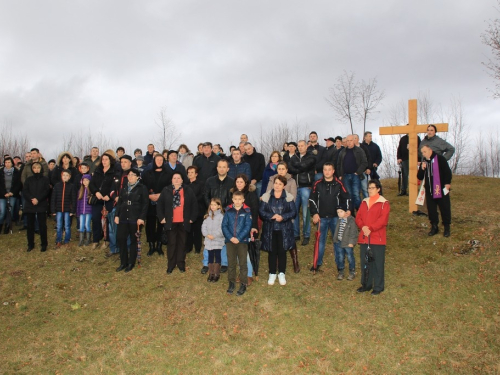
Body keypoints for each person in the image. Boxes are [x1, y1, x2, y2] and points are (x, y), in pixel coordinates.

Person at [309, 162, 352, 273]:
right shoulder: (317, 184)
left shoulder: (339, 184)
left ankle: (340, 265)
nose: (327, 172)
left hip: (335, 218)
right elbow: (312, 199)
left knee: (337, 241)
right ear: (322, 171)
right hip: (321, 218)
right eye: (325, 169)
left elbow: (347, 198)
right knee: (320, 241)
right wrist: (314, 213)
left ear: (333, 171)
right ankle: (317, 264)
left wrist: (348, 210)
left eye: (329, 169)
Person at [157, 172, 198, 274]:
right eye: (174, 178)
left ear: (182, 180)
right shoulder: (166, 190)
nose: (176, 180)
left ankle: (180, 263)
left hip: (184, 222)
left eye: (178, 178)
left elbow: (194, 204)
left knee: (182, 243)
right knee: (172, 243)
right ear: (171, 180)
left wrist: (192, 218)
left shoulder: (188, 190)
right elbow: (159, 204)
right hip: (171, 222)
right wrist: (161, 217)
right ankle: (171, 265)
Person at [260, 175, 297, 286]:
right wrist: (271, 216)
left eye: (280, 184)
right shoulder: (266, 196)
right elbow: (261, 211)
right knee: (271, 251)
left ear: (284, 185)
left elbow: (293, 212)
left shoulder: (288, 197)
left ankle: (281, 273)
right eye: (276, 183)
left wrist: (283, 217)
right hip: (270, 228)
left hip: (284, 229)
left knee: (282, 251)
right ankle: (272, 273)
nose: (277, 185)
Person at [355, 179, 390, 295]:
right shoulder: (364, 202)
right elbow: (358, 217)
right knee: (365, 263)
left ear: (378, 189)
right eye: (369, 188)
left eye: (372, 188)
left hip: (377, 238)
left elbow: (383, 220)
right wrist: (363, 227)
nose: (370, 190)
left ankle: (378, 286)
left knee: (378, 263)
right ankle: (366, 284)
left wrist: (370, 228)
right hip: (365, 237)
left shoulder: (384, 203)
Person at [266, 161, 300, 272]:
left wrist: (283, 212)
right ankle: (276, 263)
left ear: (286, 170)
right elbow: (267, 195)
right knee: (275, 239)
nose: (281, 171)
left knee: (289, 237)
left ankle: (295, 260)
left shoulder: (291, 181)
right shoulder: (272, 180)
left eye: (283, 169)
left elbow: (293, 197)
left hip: (286, 212)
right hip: (273, 213)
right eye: (279, 169)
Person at [114, 168, 149, 273]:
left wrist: (141, 218)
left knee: (134, 241)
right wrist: (117, 215)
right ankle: (123, 262)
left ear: (138, 176)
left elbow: (145, 204)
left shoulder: (142, 188)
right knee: (121, 238)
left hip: (135, 218)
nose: (130, 177)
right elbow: (120, 203)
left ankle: (131, 263)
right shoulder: (124, 188)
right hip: (123, 217)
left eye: (133, 175)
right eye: (129, 175)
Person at [202, 159, 234, 273]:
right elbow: (205, 195)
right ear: (217, 168)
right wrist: (211, 208)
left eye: (224, 167)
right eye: (219, 166)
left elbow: (233, 198)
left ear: (227, 169)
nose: (221, 169)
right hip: (211, 214)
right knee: (208, 237)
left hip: (226, 214)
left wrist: (225, 210)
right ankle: (206, 263)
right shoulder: (210, 181)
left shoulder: (231, 182)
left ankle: (224, 262)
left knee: (223, 238)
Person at [417, 145, 452, 237]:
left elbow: (447, 172)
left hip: (441, 189)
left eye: (425, 152)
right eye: (422, 152)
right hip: (429, 190)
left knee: (445, 208)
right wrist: (422, 168)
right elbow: (419, 176)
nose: (423, 154)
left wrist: (447, 183)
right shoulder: (424, 162)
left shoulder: (440, 159)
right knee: (431, 210)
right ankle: (434, 227)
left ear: (430, 150)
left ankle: (447, 228)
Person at [221, 191, 252, 296]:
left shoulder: (247, 211)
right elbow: (224, 226)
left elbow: (247, 227)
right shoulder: (228, 211)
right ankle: (231, 282)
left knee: (243, 263)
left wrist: (238, 238)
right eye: (235, 199)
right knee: (231, 262)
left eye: (240, 199)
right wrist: (230, 237)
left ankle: (243, 283)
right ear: (232, 200)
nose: (237, 201)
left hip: (242, 241)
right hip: (230, 241)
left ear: (243, 200)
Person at [230, 174, 259, 284]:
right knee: (238, 251)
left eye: (241, 182)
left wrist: (254, 226)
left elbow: (255, 211)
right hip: (235, 227)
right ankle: (242, 273)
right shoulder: (232, 194)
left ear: (246, 183)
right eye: (237, 182)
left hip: (248, 226)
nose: (239, 184)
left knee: (246, 252)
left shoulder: (251, 194)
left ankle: (248, 274)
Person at [287, 140, 315, 246]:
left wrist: (297, 168)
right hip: (295, 187)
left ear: (306, 146)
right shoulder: (293, 157)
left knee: (305, 212)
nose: (300, 147)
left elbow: (305, 166)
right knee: (294, 211)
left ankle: (306, 235)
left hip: (306, 187)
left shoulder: (311, 156)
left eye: (302, 145)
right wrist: (299, 168)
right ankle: (296, 234)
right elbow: (290, 168)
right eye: (298, 146)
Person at [142, 154, 171, 256]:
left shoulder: (168, 173)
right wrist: (149, 196)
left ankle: (159, 245)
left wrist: (161, 195)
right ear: (154, 161)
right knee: (150, 224)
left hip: (162, 202)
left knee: (160, 223)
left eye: (161, 160)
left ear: (164, 161)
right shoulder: (147, 173)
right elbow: (142, 186)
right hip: (150, 202)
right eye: (157, 160)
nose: (159, 161)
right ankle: (151, 245)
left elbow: (170, 187)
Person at [89, 150, 116, 250]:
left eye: (106, 159)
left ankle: (107, 240)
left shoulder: (113, 171)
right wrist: (96, 192)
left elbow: (115, 185)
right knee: (95, 219)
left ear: (110, 160)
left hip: (108, 199)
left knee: (108, 220)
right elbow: (92, 184)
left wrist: (109, 195)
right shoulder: (98, 170)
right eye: (103, 159)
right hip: (97, 199)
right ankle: (96, 240)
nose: (104, 161)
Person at [23, 162, 50, 252]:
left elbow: (46, 191)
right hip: (30, 204)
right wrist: (32, 199)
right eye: (34, 168)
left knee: (42, 225)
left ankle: (44, 244)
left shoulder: (45, 179)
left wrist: (38, 199)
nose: (36, 169)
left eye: (38, 167)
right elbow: (25, 191)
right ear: (32, 169)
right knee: (30, 226)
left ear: (41, 168)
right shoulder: (29, 179)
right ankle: (30, 244)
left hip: (41, 204)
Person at [336, 135, 368, 211]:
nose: (349, 142)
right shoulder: (342, 152)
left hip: (355, 176)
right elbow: (338, 164)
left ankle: (359, 210)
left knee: (356, 194)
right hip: (345, 176)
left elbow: (364, 162)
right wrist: (340, 175)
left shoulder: (359, 150)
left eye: (350, 140)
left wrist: (358, 172)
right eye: (347, 141)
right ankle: (352, 212)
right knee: (349, 195)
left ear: (354, 141)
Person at [51, 170, 77, 248]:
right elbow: (53, 198)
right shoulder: (57, 186)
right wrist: (53, 209)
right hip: (58, 210)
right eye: (63, 175)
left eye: (67, 175)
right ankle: (58, 240)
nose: (65, 177)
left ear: (69, 177)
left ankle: (66, 240)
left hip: (67, 210)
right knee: (59, 226)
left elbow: (73, 199)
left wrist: (73, 210)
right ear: (61, 176)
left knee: (67, 226)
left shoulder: (72, 186)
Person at [201, 198, 225, 282]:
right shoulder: (207, 216)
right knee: (210, 256)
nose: (213, 206)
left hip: (217, 240)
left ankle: (216, 274)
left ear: (219, 206)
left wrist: (214, 236)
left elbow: (222, 228)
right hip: (209, 240)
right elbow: (204, 227)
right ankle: (211, 273)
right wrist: (207, 235)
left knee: (217, 256)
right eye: (211, 204)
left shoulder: (221, 217)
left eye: (215, 205)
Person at [333, 208, 358, 281]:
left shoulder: (351, 221)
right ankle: (341, 271)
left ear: (346, 212)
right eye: (337, 212)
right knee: (340, 257)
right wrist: (335, 239)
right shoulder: (339, 220)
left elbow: (353, 232)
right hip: (339, 242)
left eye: (341, 212)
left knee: (350, 257)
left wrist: (351, 242)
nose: (339, 213)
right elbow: (336, 231)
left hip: (347, 243)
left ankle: (352, 271)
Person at [185, 166, 204, 254]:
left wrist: (192, 200)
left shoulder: (201, 184)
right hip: (187, 210)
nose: (190, 174)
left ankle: (197, 247)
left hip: (198, 209)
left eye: (192, 172)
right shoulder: (185, 184)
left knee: (197, 230)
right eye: (188, 172)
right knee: (188, 229)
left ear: (196, 174)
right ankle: (188, 247)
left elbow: (202, 196)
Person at [0, 157, 22, 234]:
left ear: (12, 163)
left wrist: (12, 192)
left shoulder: (16, 172)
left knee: (10, 211)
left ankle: (7, 226)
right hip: (2, 195)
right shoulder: (1, 171)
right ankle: (0, 224)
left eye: (9, 162)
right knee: (2, 211)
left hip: (12, 194)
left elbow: (19, 184)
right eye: (6, 162)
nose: (7, 164)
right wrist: (4, 193)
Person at [76, 174, 93, 246]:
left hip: (89, 211)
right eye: (84, 180)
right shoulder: (80, 191)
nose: (85, 182)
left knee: (87, 224)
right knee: (81, 225)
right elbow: (78, 202)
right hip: (81, 211)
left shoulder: (91, 190)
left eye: (87, 180)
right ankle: (81, 239)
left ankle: (88, 239)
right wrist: (78, 211)